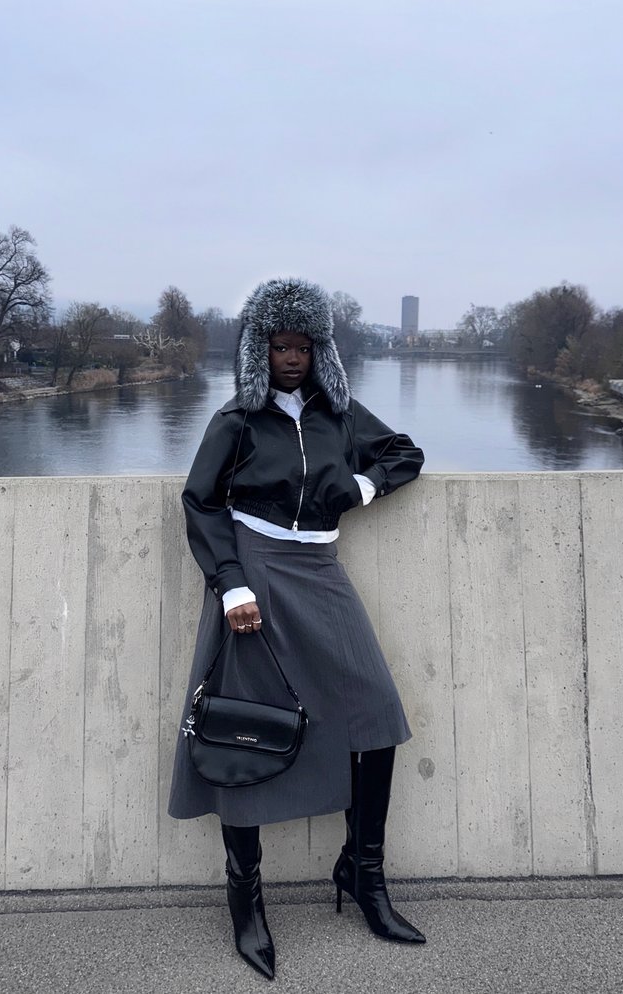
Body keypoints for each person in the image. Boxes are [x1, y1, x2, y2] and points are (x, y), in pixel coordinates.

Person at [168, 277, 426, 979]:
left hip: (320, 570)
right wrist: (231, 586)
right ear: (260, 348)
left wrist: (363, 486)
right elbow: (198, 502)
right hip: (253, 574)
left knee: (375, 714)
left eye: (302, 345)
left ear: (319, 349)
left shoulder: (338, 414)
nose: (291, 357)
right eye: (279, 345)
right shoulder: (237, 419)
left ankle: (363, 876)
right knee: (245, 725)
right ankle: (246, 901)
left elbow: (403, 452)